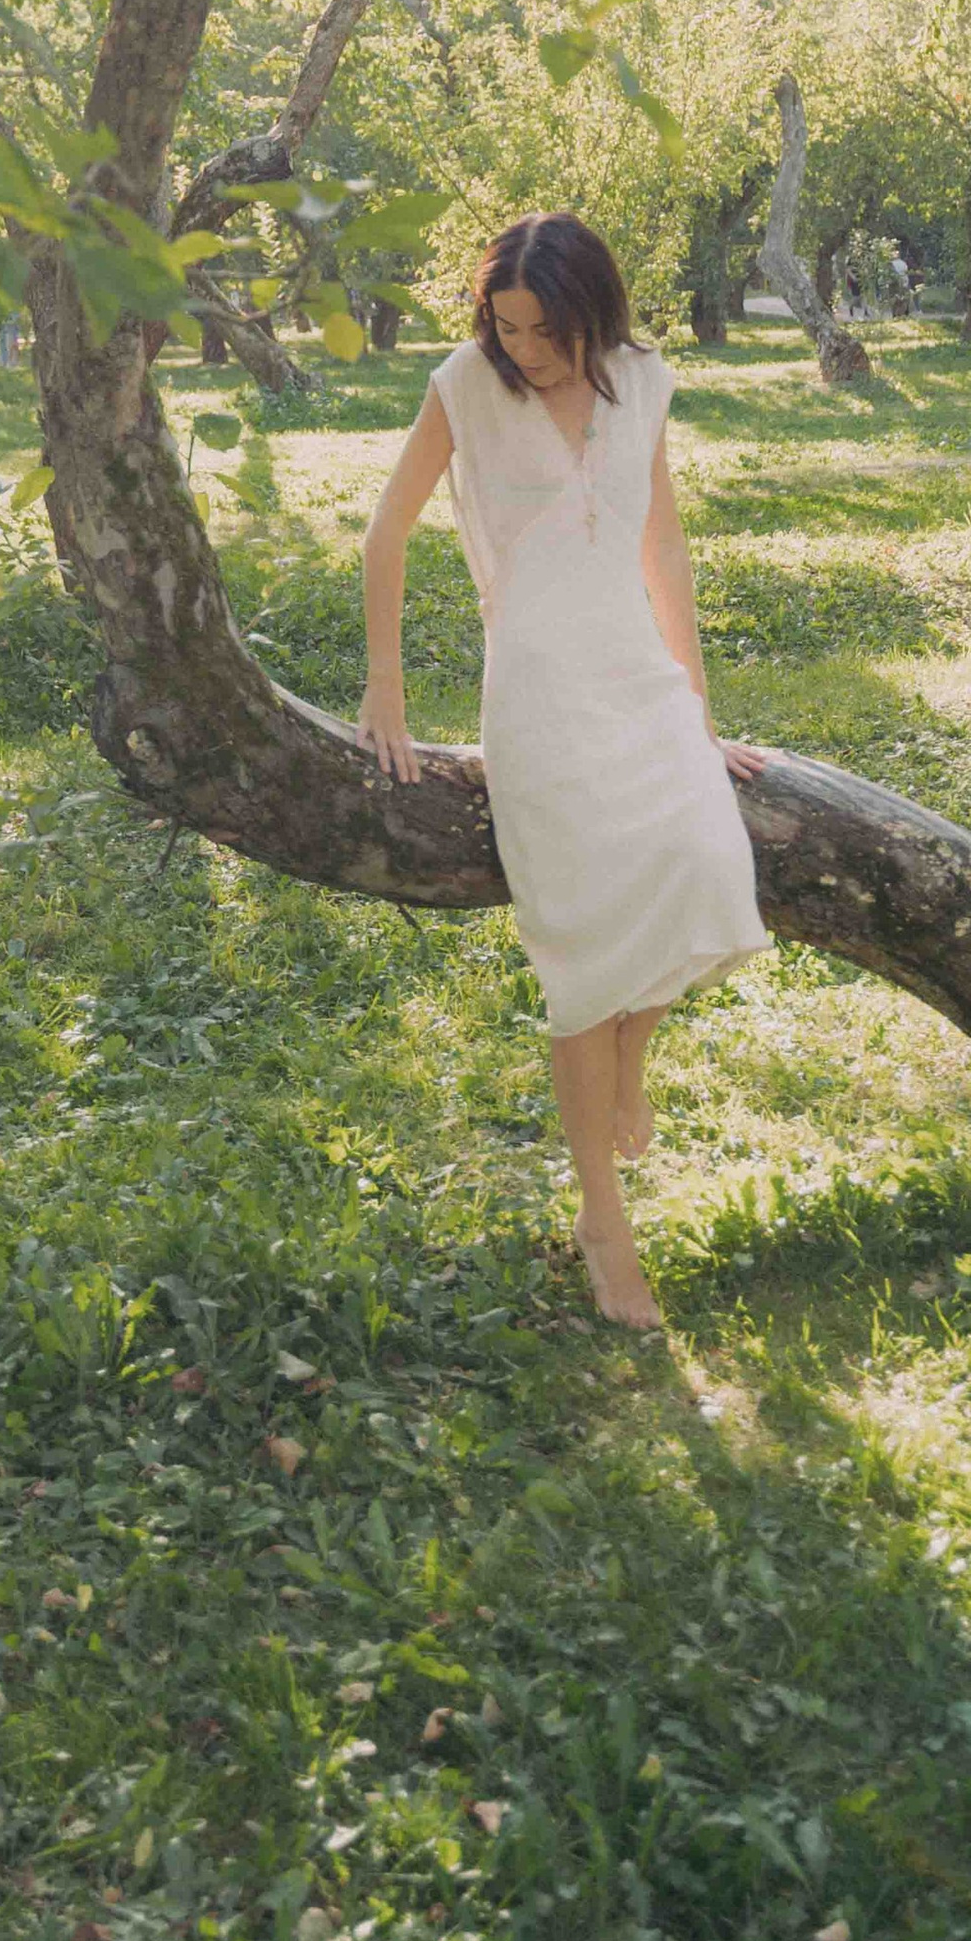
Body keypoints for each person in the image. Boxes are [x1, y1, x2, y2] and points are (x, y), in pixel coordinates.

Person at [356, 214, 766, 1334]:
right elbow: (385, 532)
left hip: (632, 673)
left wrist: (696, 709)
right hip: (535, 690)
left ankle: (633, 1052)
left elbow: (662, 546)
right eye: (506, 324)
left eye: (543, 328)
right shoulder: (463, 385)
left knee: (708, 863)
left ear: (593, 312)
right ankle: (602, 1220)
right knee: (583, 948)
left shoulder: (643, 383)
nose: (523, 348)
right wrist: (384, 690)